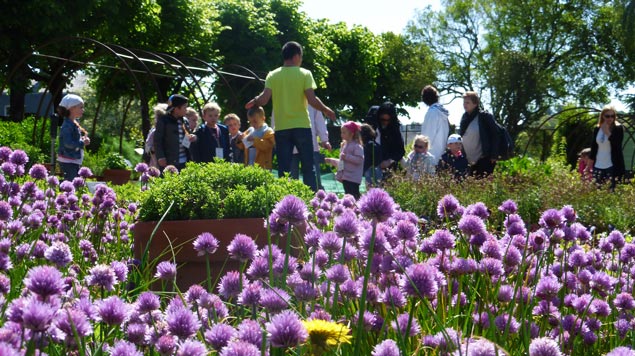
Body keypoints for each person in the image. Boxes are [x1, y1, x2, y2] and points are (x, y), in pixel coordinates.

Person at [245, 41, 336, 191]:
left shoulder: (273, 75)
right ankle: (311, 201)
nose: (301, 60)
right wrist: (326, 110)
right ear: (296, 56)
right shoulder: (305, 74)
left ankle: (285, 202)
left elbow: (264, 98)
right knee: (308, 167)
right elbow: (312, 100)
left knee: (284, 169)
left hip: (281, 128)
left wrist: (254, 101)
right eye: (300, 57)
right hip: (302, 127)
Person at [281, 105, 332, 189]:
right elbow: (277, 117)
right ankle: (291, 201)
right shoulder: (285, 96)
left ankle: (317, 199)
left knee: (314, 181)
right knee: (291, 181)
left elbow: (319, 120)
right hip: (291, 147)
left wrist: (324, 139)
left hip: (310, 146)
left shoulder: (311, 99)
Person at [458, 91, 499, 177]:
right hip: (467, 160)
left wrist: (494, 155)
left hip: (483, 159)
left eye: (467, 102)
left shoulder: (485, 117)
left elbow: (495, 135)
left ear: (475, 104)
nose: (464, 105)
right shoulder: (464, 118)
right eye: (464, 102)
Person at [154, 94, 196, 171]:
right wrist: (160, 156)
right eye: (184, 107)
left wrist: (193, 137)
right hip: (169, 160)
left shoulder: (184, 121)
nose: (186, 110)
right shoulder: (164, 121)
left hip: (185, 160)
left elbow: (188, 134)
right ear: (176, 109)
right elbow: (157, 140)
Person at [325, 121, 364, 199]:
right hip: (346, 177)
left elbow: (360, 160)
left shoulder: (357, 146)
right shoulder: (344, 145)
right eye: (341, 132)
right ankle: (350, 209)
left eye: (344, 132)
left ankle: (358, 209)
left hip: (354, 178)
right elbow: (341, 162)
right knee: (348, 195)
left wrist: (347, 157)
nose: (341, 134)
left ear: (351, 133)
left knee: (354, 196)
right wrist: (339, 174)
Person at [590, 105, 625, 190]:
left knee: (611, 192)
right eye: (607, 116)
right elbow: (594, 147)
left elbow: (617, 144)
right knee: (598, 192)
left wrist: (607, 132)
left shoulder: (618, 128)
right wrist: (588, 165)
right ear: (602, 116)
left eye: (612, 116)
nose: (610, 118)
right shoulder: (597, 129)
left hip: (612, 165)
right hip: (598, 165)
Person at [57, 94, 90, 181]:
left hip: (72, 159)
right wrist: (82, 142)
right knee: (71, 183)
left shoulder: (73, 123)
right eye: (81, 107)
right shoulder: (67, 126)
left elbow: (72, 140)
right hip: (68, 160)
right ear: (71, 108)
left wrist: (81, 139)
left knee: (73, 181)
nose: (83, 110)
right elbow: (68, 143)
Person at [420, 85, 450, 165]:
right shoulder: (442, 113)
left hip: (430, 157)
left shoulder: (432, 112)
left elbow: (427, 137)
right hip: (440, 154)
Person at [373, 101, 405, 173]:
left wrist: (390, 161)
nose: (385, 122)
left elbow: (400, 151)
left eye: (388, 120)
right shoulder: (373, 124)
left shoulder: (395, 128)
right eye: (383, 120)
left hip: (389, 167)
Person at [145, 103, 168, 169]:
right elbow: (147, 147)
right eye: (157, 117)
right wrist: (153, 149)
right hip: (155, 162)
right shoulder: (154, 131)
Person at [361, 123, 382, 188]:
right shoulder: (375, 144)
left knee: (370, 188)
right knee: (377, 187)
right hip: (376, 168)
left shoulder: (368, 145)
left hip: (369, 169)